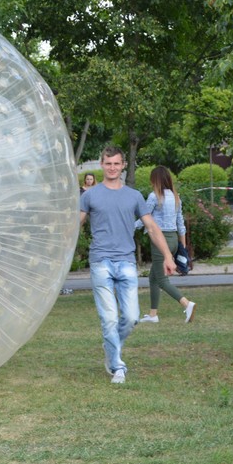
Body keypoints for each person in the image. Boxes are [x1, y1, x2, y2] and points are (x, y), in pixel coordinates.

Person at [79, 146, 175, 384]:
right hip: (100, 261)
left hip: (126, 262)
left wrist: (168, 256)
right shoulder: (89, 195)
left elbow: (152, 227)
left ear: (123, 166)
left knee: (131, 317)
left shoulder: (134, 196)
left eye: (116, 164)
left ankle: (111, 347)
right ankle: (117, 367)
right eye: (108, 163)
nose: (112, 168)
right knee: (109, 318)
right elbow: (74, 225)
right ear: (101, 165)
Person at [136, 166, 197, 324]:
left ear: (154, 180)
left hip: (159, 240)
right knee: (153, 278)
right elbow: (181, 224)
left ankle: (186, 304)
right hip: (173, 240)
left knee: (162, 280)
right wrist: (182, 249)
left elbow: (144, 219)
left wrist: (126, 227)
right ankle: (153, 315)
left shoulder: (153, 196)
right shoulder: (176, 197)